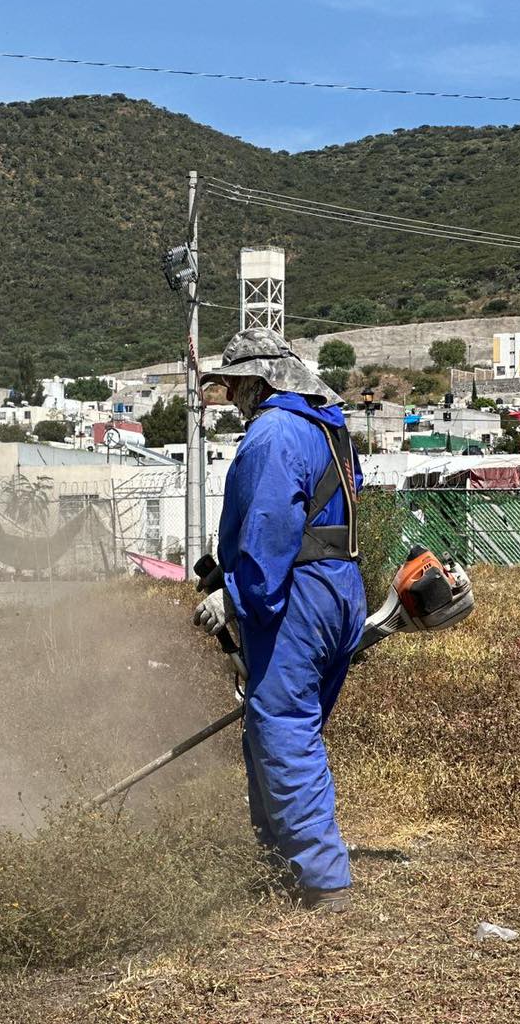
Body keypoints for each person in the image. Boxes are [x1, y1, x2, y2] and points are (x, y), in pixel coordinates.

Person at [193, 329, 365, 913]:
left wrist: (238, 598)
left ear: (259, 382)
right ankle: (277, 853)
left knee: (285, 730)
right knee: (278, 726)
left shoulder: (271, 433)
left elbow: (269, 529)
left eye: (236, 384)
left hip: (296, 594)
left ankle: (325, 883)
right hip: (341, 588)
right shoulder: (329, 427)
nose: (233, 396)